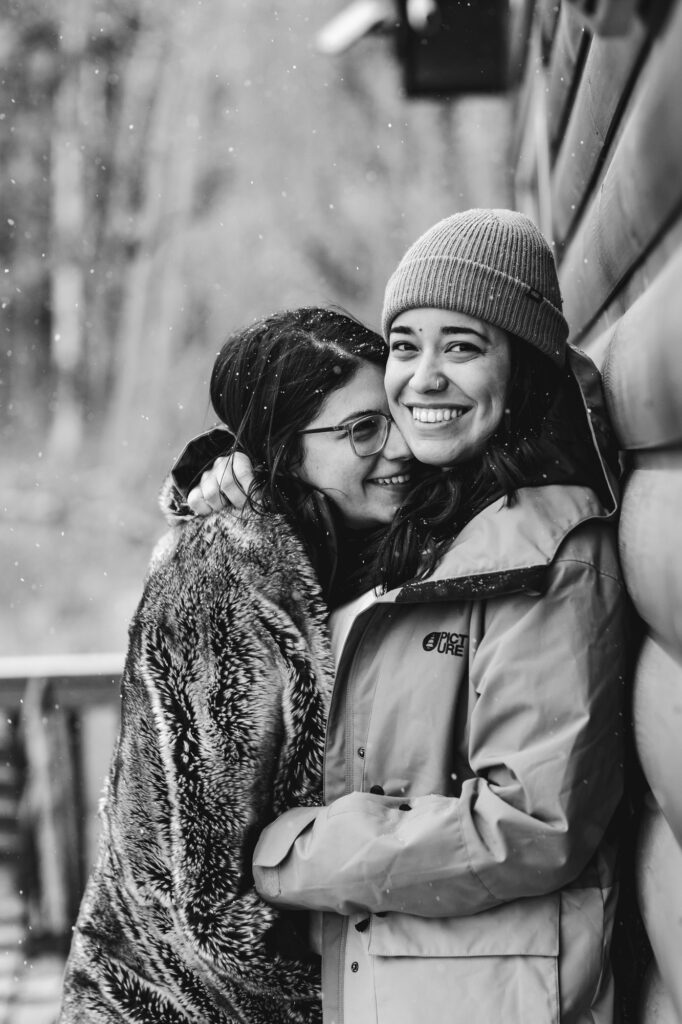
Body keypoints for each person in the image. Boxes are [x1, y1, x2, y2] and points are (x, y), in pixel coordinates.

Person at [184, 210, 628, 1024]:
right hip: (401, 978)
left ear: (521, 368)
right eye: (405, 345)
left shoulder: (554, 556)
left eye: (461, 346)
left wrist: (286, 853)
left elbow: (530, 825)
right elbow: (307, 481)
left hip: (493, 995)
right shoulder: (427, 521)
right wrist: (222, 474)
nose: (422, 377)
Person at [56, 307, 415, 1024]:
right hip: (170, 1006)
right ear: (285, 450)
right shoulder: (218, 584)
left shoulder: (355, 544)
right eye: (363, 429)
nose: (402, 446)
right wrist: (357, 1003)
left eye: (399, 412)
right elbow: (198, 904)